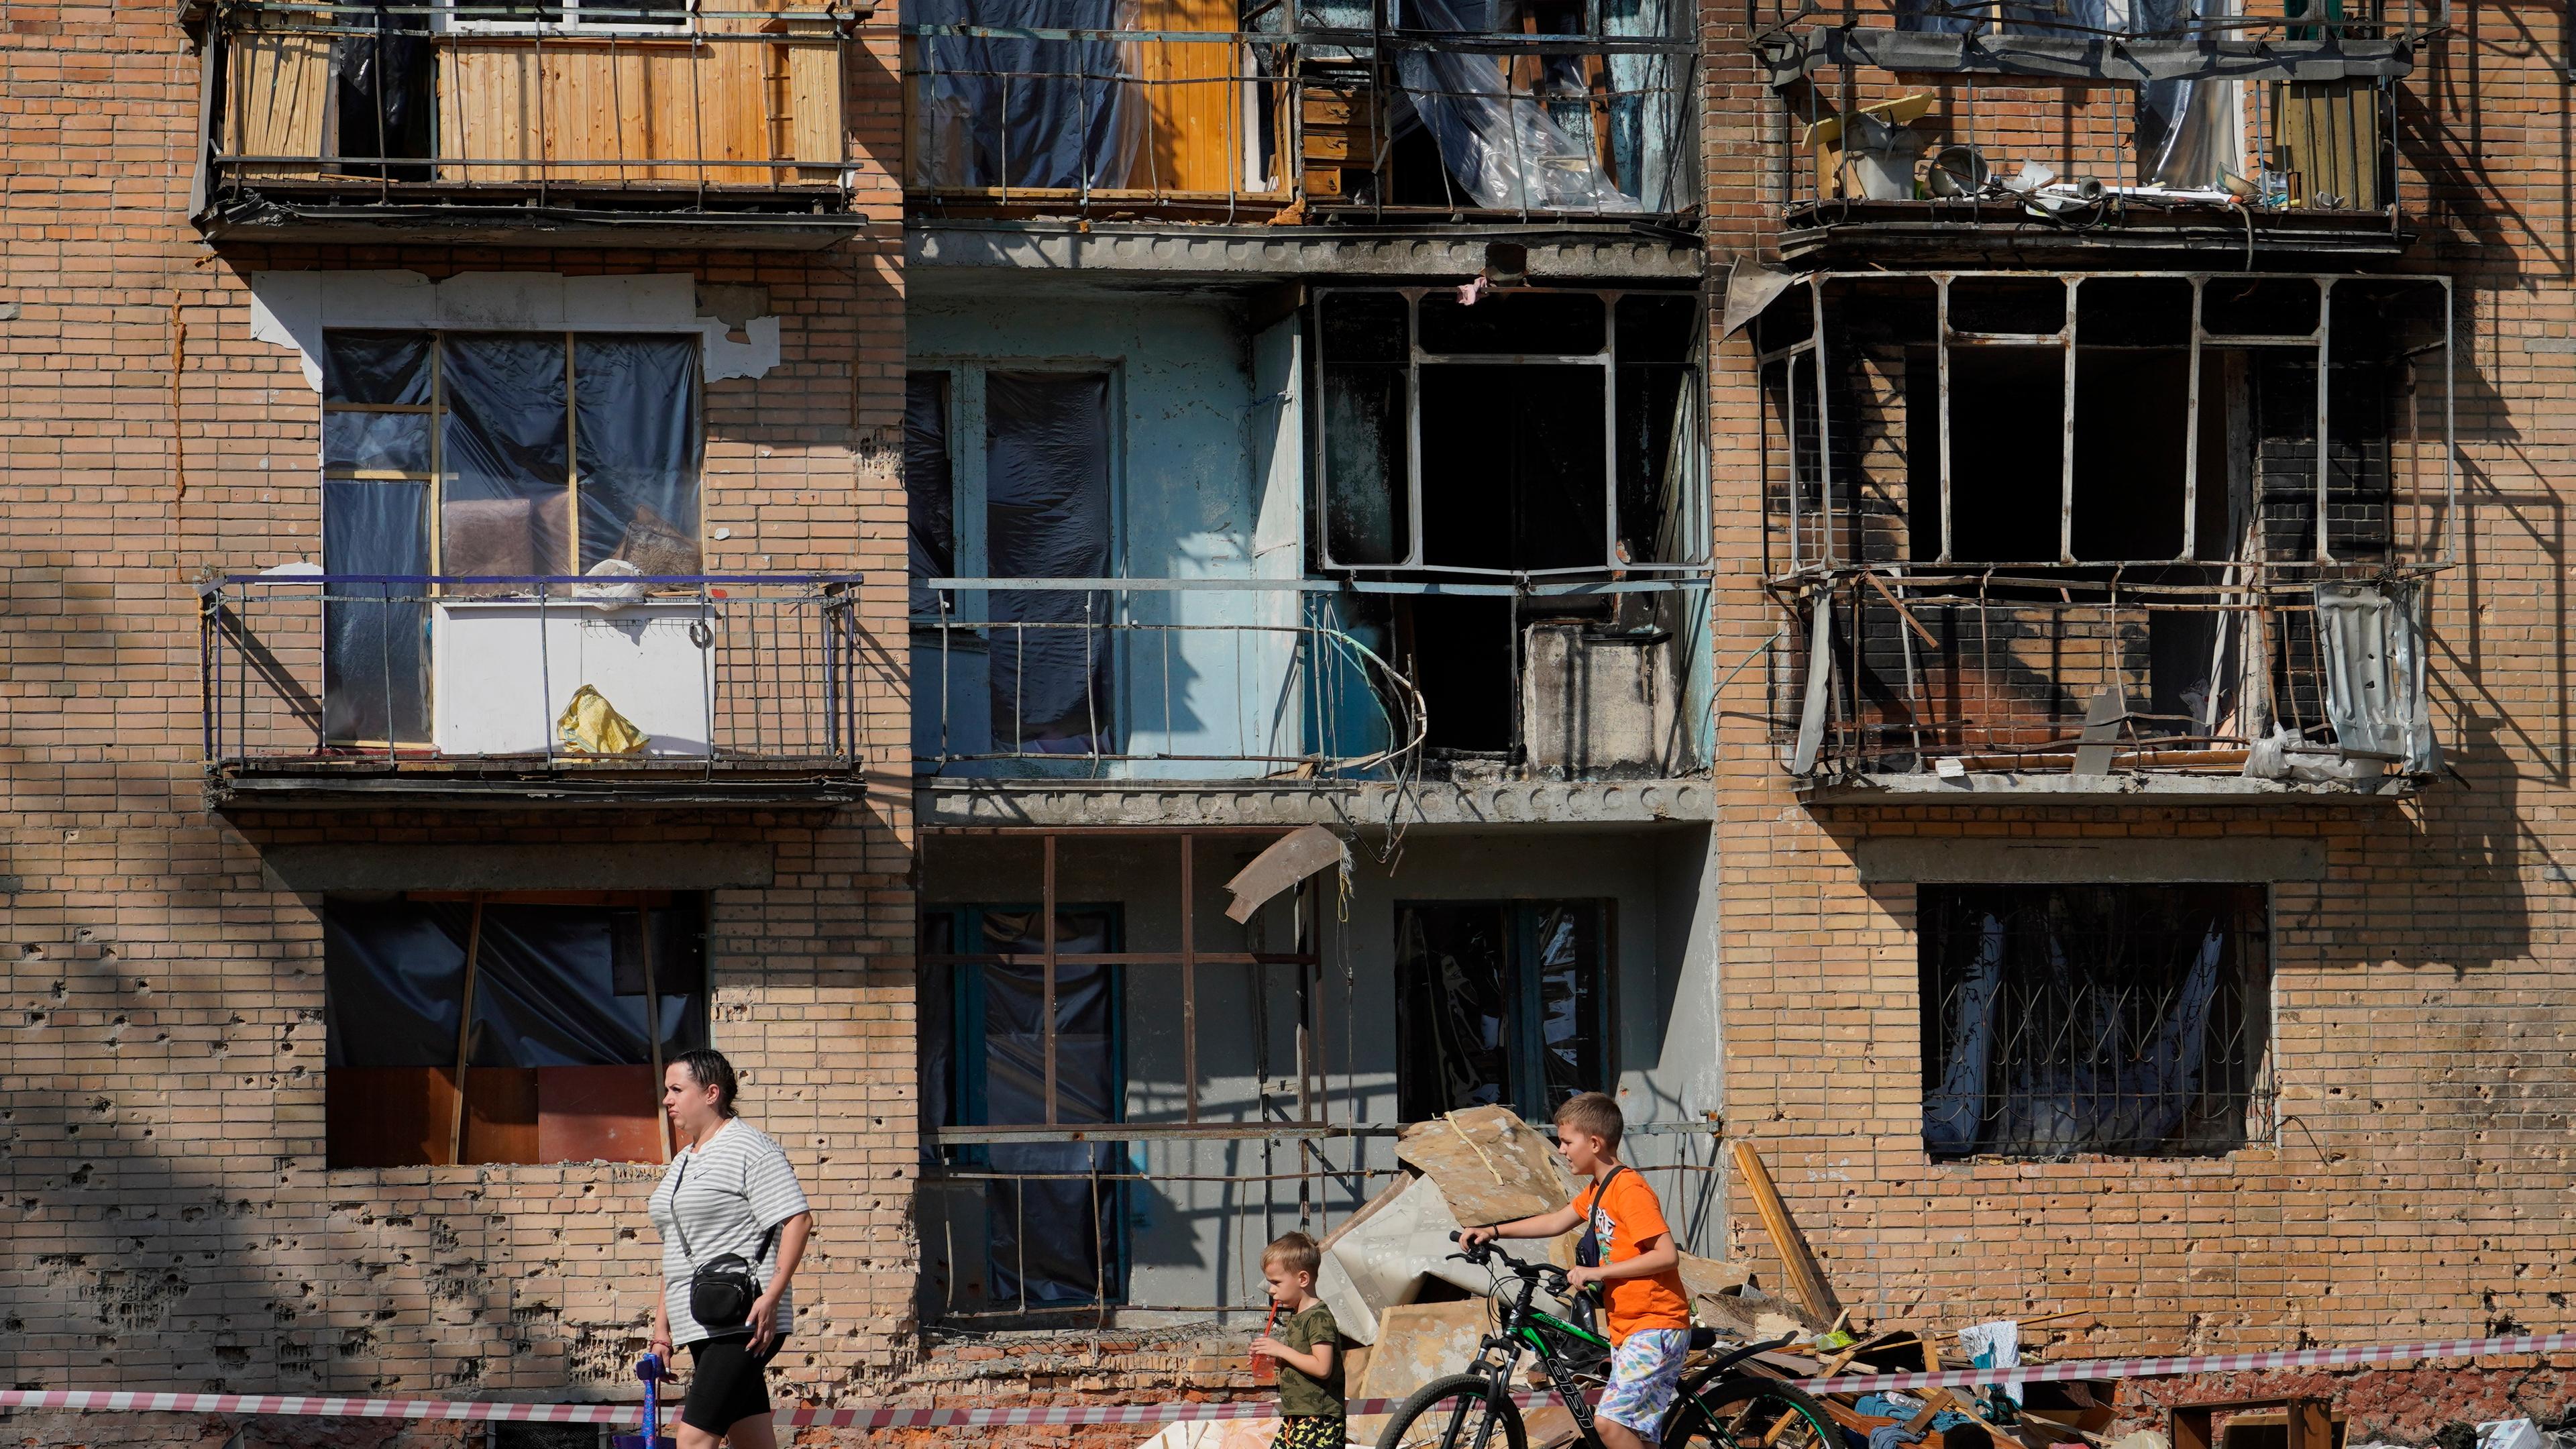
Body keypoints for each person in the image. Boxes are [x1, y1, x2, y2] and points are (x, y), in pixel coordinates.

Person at [1458, 1092, 1690, 1449]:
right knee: (1633, 1435)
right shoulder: (1600, 1190)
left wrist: (1597, 1273)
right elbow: (1556, 1221)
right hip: (1628, 1326)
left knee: (1609, 1425)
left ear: (1595, 1143)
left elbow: (1666, 1255)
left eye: (1567, 1141)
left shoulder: (1629, 1189)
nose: (1562, 1150)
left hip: (1656, 1324)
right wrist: (1492, 1230)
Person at [646, 1049, 816, 1449]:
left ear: (710, 1093)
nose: (666, 1099)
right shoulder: (684, 1160)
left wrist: (773, 1296)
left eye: (676, 1089)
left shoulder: (751, 1148)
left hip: (742, 1320)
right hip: (701, 1319)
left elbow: (798, 1220)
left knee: (691, 1442)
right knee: (752, 1441)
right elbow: (677, 1251)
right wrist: (662, 1330)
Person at [1248, 1231, 1344, 1449]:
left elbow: (1322, 1368)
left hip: (1319, 1421)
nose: (1271, 1290)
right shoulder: (1298, 1316)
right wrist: (1273, 1358)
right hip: (1298, 1417)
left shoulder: (1318, 1317)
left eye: (1276, 1282)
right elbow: (1304, 1363)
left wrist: (1280, 1350)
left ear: (1302, 1279)